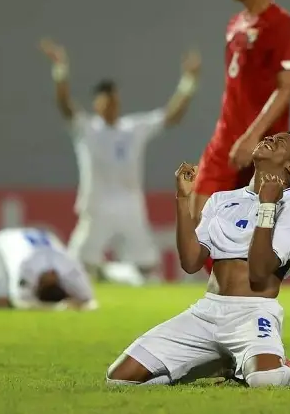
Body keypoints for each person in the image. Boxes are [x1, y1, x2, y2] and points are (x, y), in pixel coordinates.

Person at [106, 132, 290, 388]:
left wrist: (267, 206)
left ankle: (288, 372)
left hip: (252, 312)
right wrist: (183, 198)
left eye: (280, 142)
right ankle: (223, 364)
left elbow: (261, 271)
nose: (270, 139)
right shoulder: (222, 200)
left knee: (266, 381)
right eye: (271, 137)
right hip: (208, 311)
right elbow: (191, 261)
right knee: (119, 379)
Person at [39, 38, 201, 286]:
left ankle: (109, 274)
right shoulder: (87, 129)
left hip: (129, 205)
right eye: (107, 101)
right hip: (97, 206)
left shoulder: (132, 128)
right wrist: (60, 70)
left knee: (148, 269)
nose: (113, 105)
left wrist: (188, 82)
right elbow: (65, 107)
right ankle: (101, 275)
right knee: (75, 266)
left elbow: (171, 116)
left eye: (116, 100)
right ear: (97, 104)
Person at [192, 0, 290, 275]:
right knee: (201, 217)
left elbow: (286, 87)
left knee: (260, 230)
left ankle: (249, 301)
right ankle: (225, 295)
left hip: (263, 143)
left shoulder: (282, 25)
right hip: (226, 136)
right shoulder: (234, 24)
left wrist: (253, 135)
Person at [0, 227, 97, 312]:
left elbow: (90, 302)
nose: (49, 276)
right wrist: (58, 307)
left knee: (5, 300)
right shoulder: (26, 266)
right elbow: (20, 302)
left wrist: (74, 304)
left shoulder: (71, 267)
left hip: (29, 242)